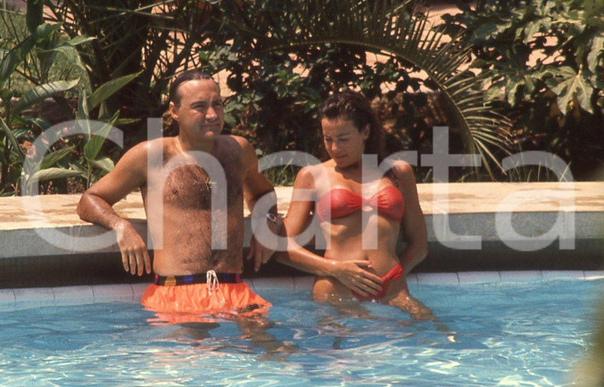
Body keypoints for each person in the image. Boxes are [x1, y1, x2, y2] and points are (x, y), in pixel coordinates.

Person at [77, 69, 283, 328]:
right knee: (184, 365)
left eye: (217, 104)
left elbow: (264, 194)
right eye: (199, 107)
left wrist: (268, 222)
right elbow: (90, 199)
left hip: (235, 291)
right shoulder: (152, 156)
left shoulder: (238, 151)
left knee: (274, 355)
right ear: (174, 111)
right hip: (175, 294)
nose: (212, 114)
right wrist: (121, 227)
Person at [278, 90, 449, 329]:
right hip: (336, 293)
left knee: (442, 338)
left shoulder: (399, 173)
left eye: (343, 139)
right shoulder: (312, 176)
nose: (335, 148)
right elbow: (280, 247)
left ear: (366, 132)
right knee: (336, 362)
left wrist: (389, 279)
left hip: (393, 291)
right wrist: (336, 270)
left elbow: (419, 246)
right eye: (328, 139)